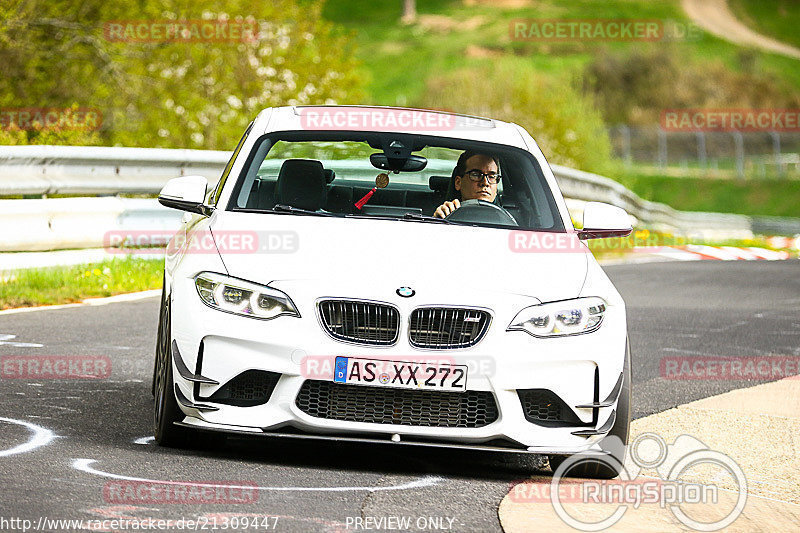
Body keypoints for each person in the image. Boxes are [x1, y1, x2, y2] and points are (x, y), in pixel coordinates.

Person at [433, 151, 501, 218]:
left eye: (492, 177)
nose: (485, 182)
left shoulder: (509, 222)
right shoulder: (446, 213)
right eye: (475, 175)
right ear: (458, 182)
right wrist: (437, 220)